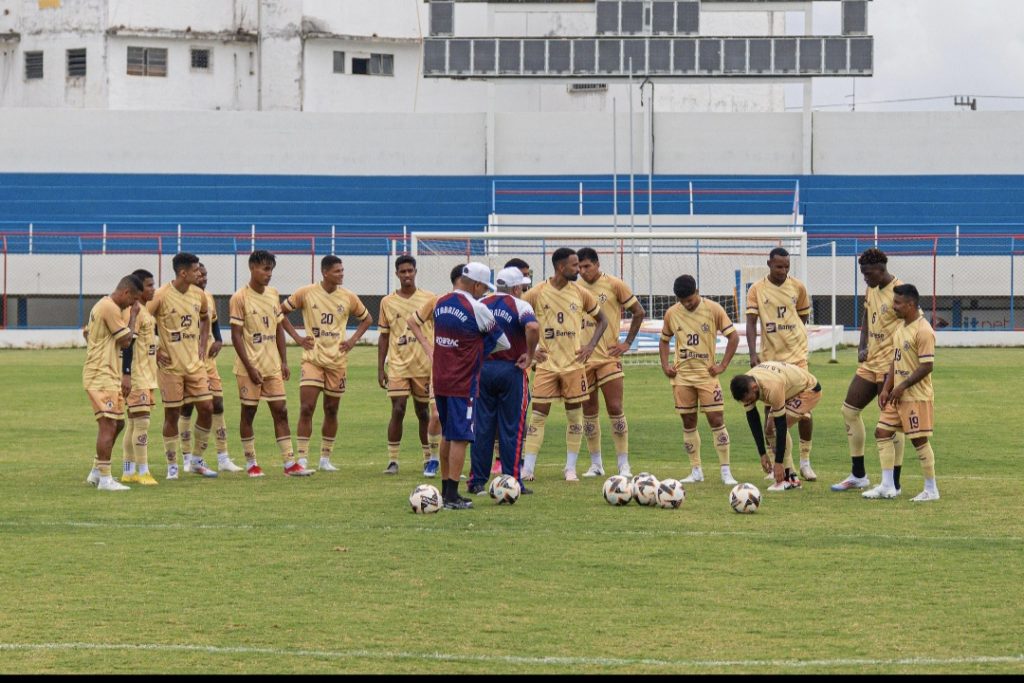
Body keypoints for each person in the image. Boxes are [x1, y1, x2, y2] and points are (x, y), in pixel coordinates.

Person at [520, 248, 608, 482]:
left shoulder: (580, 293)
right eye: (574, 266)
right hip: (546, 366)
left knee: (574, 417)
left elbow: (603, 320)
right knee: (538, 416)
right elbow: (516, 320)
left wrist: (590, 346)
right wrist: (531, 350)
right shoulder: (536, 293)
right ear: (561, 267)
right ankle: (528, 468)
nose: (578, 269)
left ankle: (570, 468)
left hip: (574, 365)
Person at [428, 262, 509, 509]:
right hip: (463, 381)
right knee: (460, 437)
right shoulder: (477, 308)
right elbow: (503, 342)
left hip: (440, 377)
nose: (484, 293)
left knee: (447, 434)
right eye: (483, 287)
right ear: (475, 284)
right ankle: (452, 494)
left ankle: (445, 489)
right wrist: (479, 350)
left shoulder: (440, 303)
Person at [283, 255, 372, 473]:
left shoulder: (348, 297)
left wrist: (352, 341)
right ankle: (302, 458)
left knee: (331, 409)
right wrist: (297, 338)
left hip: (337, 361)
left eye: (342, 270)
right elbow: (280, 312)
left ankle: (325, 458)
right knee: (307, 407)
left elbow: (367, 319)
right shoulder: (306, 292)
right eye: (337, 271)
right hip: (312, 359)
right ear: (325, 272)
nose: (341, 274)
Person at [229, 250, 313, 477]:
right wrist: (249, 367)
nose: (269, 274)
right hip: (249, 368)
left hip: (272, 367)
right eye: (265, 269)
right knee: (249, 413)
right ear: (252, 268)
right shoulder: (239, 298)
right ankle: (251, 463)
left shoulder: (273, 294)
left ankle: (289, 464)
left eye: (271, 270)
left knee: (281, 411)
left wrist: (284, 361)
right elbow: (236, 336)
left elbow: (278, 329)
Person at [832, 248, 905, 492]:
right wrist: (862, 347)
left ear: (881, 270)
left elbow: (914, 324)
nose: (864, 278)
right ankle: (858, 475)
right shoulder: (871, 289)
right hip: (870, 362)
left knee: (890, 422)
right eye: (862, 273)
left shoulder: (900, 291)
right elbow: (866, 318)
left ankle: (893, 482)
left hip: (891, 366)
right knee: (849, 411)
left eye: (867, 273)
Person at [659, 275, 740, 486]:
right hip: (682, 378)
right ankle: (696, 470)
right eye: (682, 300)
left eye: (690, 299)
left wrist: (722, 365)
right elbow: (664, 340)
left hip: (706, 377)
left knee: (716, 420)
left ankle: (725, 471)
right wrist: (665, 365)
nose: (687, 304)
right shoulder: (671, 313)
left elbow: (734, 337)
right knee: (688, 422)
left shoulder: (714, 309)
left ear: (698, 291)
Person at [745, 247, 817, 483]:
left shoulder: (798, 287)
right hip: (770, 358)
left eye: (786, 266)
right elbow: (751, 322)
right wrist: (753, 353)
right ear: (769, 264)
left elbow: (802, 316)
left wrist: (793, 336)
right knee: (771, 414)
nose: (783, 270)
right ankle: (784, 465)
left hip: (796, 357)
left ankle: (806, 461)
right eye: (779, 266)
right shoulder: (757, 289)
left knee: (804, 413)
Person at [467, 267, 540, 495]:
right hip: (511, 370)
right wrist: (529, 353)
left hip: (483, 369)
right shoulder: (520, 305)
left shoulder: (480, 304)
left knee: (481, 427)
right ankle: (512, 479)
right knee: (512, 427)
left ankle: (477, 480)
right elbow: (532, 326)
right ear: (516, 287)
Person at [863, 284, 940, 502]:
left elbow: (927, 366)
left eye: (897, 303)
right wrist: (887, 387)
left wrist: (901, 386)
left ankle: (931, 489)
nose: (893, 306)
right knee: (882, 433)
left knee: (919, 441)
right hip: (898, 395)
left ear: (910, 304)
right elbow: (894, 361)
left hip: (916, 396)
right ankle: (888, 486)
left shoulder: (923, 330)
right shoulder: (901, 327)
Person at [576, 247, 645, 479]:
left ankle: (623, 464)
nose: (583, 271)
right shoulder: (573, 288)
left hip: (607, 357)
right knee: (589, 411)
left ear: (597, 264)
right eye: (579, 267)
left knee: (615, 408)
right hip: (582, 360)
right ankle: (596, 464)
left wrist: (627, 343)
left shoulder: (615, 284)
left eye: (587, 266)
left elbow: (638, 312)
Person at [148, 252, 218, 479]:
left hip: (195, 365)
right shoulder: (161, 295)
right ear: (183, 272)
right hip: (171, 367)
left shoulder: (200, 295)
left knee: (207, 408)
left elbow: (206, 318)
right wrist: (156, 350)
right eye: (196, 270)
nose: (200, 274)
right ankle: (172, 466)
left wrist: (203, 342)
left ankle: (197, 460)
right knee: (172, 415)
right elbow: (142, 321)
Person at [178, 262, 243, 474]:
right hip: (186, 361)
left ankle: (223, 456)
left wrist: (218, 339)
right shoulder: (179, 297)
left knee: (218, 404)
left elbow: (212, 321)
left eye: (205, 275)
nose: (203, 278)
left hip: (207, 360)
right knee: (187, 407)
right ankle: (187, 457)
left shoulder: (208, 297)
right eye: (200, 275)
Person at [377, 256, 439, 476]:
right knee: (398, 409)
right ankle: (393, 460)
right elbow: (384, 336)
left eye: (410, 271)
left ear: (415, 271)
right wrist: (380, 368)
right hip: (398, 365)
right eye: (402, 271)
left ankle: (427, 459)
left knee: (424, 413)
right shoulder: (387, 302)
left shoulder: (429, 298)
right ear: (397, 274)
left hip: (424, 365)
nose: (406, 275)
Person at [83, 275, 141, 491]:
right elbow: (126, 340)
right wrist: (133, 317)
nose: (132, 305)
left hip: (107, 374)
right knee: (108, 424)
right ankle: (105, 479)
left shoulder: (104, 305)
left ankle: (97, 470)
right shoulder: (109, 307)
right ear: (126, 293)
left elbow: (87, 334)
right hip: (100, 374)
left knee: (118, 423)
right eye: (133, 299)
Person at [730, 360, 822, 492]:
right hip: (791, 389)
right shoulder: (747, 383)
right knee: (769, 429)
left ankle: (791, 479)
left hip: (809, 390)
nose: (749, 402)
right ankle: (788, 475)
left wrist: (778, 462)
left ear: (754, 388)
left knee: (773, 427)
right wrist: (762, 453)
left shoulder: (771, 387)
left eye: (750, 399)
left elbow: (781, 426)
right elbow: (753, 418)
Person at [119, 269, 160, 486]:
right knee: (142, 423)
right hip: (137, 377)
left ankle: (128, 471)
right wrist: (126, 375)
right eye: (149, 285)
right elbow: (128, 345)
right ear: (138, 289)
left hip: (146, 375)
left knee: (133, 424)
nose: (154, 289)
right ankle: (143, 470)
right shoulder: (134, 312)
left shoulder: (144, 312)